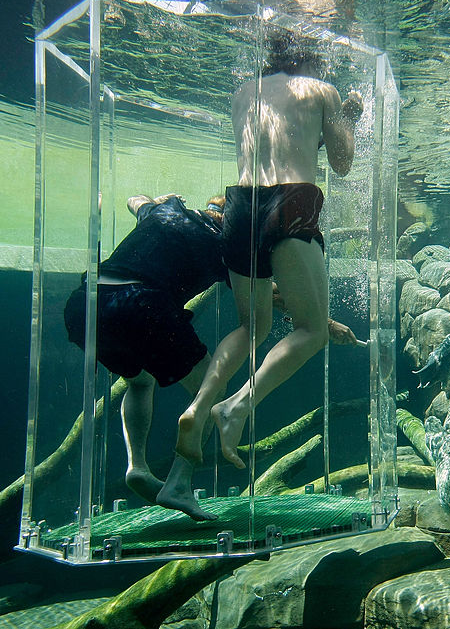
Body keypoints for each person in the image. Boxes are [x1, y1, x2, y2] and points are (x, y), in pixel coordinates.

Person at [65, 193, 361, 521]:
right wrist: (327, 324)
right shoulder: (226, 245)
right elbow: (275, 296)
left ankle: (137, 466)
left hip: (86, 304)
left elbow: (135, 200)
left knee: (138, 381)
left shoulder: (167, 211)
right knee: (211, 388)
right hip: (139, 305)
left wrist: (156, 200)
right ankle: (179, 480)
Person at [173, 29, 364, 472]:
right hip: (291, 201)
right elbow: (343, 161)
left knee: (251, 325)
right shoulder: (322, 90)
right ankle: (236, 407)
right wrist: (349, 115)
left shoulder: (244, 92)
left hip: (241, 205)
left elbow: (280, 141)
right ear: (311, 60)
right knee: (312, 330)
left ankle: (200, 407)